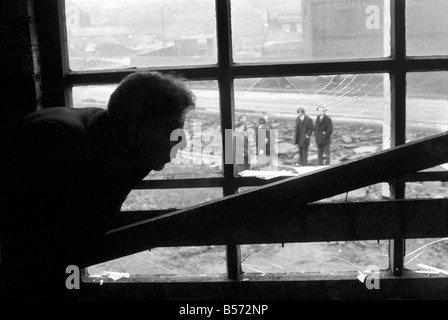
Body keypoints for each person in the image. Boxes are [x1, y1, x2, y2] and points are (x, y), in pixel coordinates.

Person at [0, 71, 195, 299]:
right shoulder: (57, 144)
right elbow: (29, 248)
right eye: (174, 131)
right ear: (135, 132)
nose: (182, 141)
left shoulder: (127, 150)